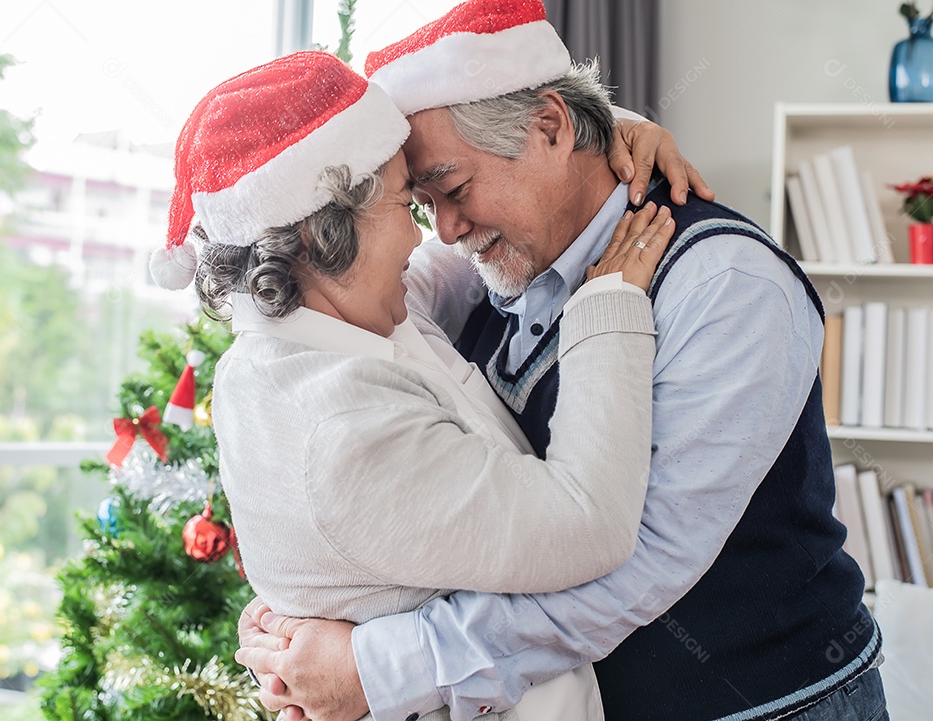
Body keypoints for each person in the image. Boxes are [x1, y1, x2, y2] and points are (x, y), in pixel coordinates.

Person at [235, 2, 888, 721]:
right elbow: (337, 307)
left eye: (454, 190)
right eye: (421, 205)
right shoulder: (483, 268)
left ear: (549, 126)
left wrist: (380, 668)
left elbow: (636, 562)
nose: (445, 231)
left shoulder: (725, 286)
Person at [148, 49, 689, 721]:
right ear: (326, 234)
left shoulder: (322, 332)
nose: (429, 231)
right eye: (410, 201)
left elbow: (491, 228)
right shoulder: (342, 429)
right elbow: (589, 522)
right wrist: (607, 300)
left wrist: (602, 133)